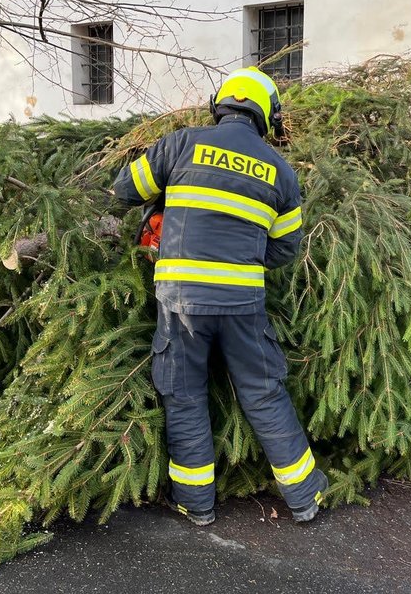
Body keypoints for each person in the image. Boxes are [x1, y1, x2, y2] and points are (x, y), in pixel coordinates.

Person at [113, 67, 327, 526]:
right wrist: (241, 254)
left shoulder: (181, 143)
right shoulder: (280, 173)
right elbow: (286, 247)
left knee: (185, 395)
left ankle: (196, 505)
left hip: (180, 305)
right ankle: (304, 497)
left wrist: (166, 202)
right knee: (264, 393)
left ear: (220, 103)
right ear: (267, 116)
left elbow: (125, 188)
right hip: (242, 306)